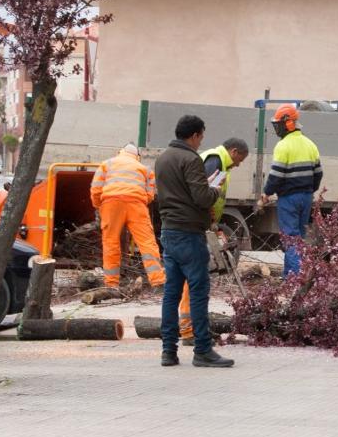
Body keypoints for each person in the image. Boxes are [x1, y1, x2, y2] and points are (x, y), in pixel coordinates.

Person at [155, 115, 233, 368]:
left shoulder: (163, 158)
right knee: (199, 292)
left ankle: (168, 351)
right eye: (201, 137)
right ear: (195, 135)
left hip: (169, 232)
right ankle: (202, 350)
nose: (201, 142)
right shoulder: (191, 159)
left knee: (171, 294)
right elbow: (201, 197)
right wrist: (215, 190)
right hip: (189, 233)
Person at [174, 137, 249, 342]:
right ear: (234, 151)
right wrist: (209, 224)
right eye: (240, 159)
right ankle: (190, 329)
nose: (239, 164)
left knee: (197, 278)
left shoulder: (219, 162)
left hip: (200, 223)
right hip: (196, 225)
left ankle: (194, 326)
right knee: (196, 277)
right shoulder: (215, 161)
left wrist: (214, 225)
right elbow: (202, 194)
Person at [259, 104, 322, 277]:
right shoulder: (311, 145)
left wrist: (266, 193)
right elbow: (318, 173)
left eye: (278, 123)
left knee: (290, 239)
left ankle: (295, 279)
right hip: (307, 197)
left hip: (288, 198)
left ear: (288, 123)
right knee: (297, 239)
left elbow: (276, 175)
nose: (277, 127)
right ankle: (288, 278)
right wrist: (309, 190)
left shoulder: (283, 146)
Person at [89, 143, 163, 289]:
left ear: (120, 152)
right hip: (136, 205)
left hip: (111, 204)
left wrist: (99, 206)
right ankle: (158, 281)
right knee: (147, 242)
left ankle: (111, 284)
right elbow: (150, 196)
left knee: (111, 243)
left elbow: (96, 190)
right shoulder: (145, 169)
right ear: (137, 156)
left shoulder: (106, 164)